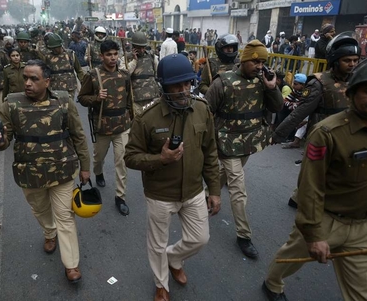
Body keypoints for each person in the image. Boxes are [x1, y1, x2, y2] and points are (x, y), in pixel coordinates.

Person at [262, 60, 367, 301]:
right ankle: (272, 282)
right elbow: (310, 186)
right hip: (325, 220)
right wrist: (314, 234)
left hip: (365, 226)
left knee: (363, 294)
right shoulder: (327, 133)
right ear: (352, 94)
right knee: (290, 259)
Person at [124, 54, 221, 301]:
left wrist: (215, 191)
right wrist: (161, 159)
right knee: (157, 244)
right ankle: (161, 284)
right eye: (176, 85)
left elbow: (210, 151)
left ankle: (174, 259)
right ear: (163, 86)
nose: (183, 90)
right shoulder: (146, 118)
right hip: (160, 194)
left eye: (187, 83)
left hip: (193, 191)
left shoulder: (202, 110)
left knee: (200, 238)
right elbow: (131, 157)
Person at [0, 59, 90, 283]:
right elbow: (2, 143)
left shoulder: (63, 101)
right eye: (25, 78)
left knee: (65, 216)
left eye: (34, 79)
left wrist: (85, 167)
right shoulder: (11, 105)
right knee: (41, 210)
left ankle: (71, 264)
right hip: (30, 172)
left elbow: (78, 136)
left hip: (62, 169)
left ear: (47, 81)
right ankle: (48, 232)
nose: (27, 83)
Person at [205, 40, 284, 258]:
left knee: (226, 174)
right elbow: (204, 110)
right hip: (227, 144)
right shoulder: (222, 82)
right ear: (244, 60)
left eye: (263, 62)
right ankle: (244, 235)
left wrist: (272, 87)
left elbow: (277, 107)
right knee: (238, 188)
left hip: (249, 142)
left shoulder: (263, 81)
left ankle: (206, 196)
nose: (259, 66)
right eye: (255, 61)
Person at [274, 35, 361, 208]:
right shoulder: (318, 83)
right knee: (313, 173)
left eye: (355, 60)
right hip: (321, 138)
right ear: (335, 61)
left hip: (347, 137)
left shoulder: (357, 81)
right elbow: (299, 113)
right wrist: (277, 135)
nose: (352, 64)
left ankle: (306, 199)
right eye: (347, 60)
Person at [78, 40, 132, 216]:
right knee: (98, 158)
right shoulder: (93, 76)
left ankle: (120, 197)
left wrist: (133, 121)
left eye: (115, 54)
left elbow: (129, 101)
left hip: (122, 126)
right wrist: (96, 98)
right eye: (109, 54)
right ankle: (98, 173)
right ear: (101, 56)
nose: (113, 58)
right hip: (102, 127)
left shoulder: (124, 75)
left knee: (121, 162)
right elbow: (82, 98)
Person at [119, 32, 160, 116]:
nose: (141, 50)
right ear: (133, 46)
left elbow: (157, 73)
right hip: (135, 99)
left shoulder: (152, 57)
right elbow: (124, 75)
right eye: (138, 48)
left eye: (143, 47)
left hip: (152, 97)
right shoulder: (126, 58)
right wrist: (134, 61)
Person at [41, 33, 84, 101]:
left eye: (55, 48)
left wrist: (83, 83)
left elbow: (79, 70)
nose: (54, 50)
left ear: (60, 45)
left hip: (70, 87)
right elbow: (44, 73)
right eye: (52, 48)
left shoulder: (70, 54)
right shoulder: (48, 57)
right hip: (55, 88)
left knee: (69, 108)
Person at [280, 73, 308, 149]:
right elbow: (286, 100)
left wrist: (292, 104)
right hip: (296, 111)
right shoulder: (295, 91)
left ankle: (295, 140)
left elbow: (300, 105)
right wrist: (292, 104)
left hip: (305, 113)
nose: (293, 86)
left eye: (295, 84)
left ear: (302, 85)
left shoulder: (306, 93)